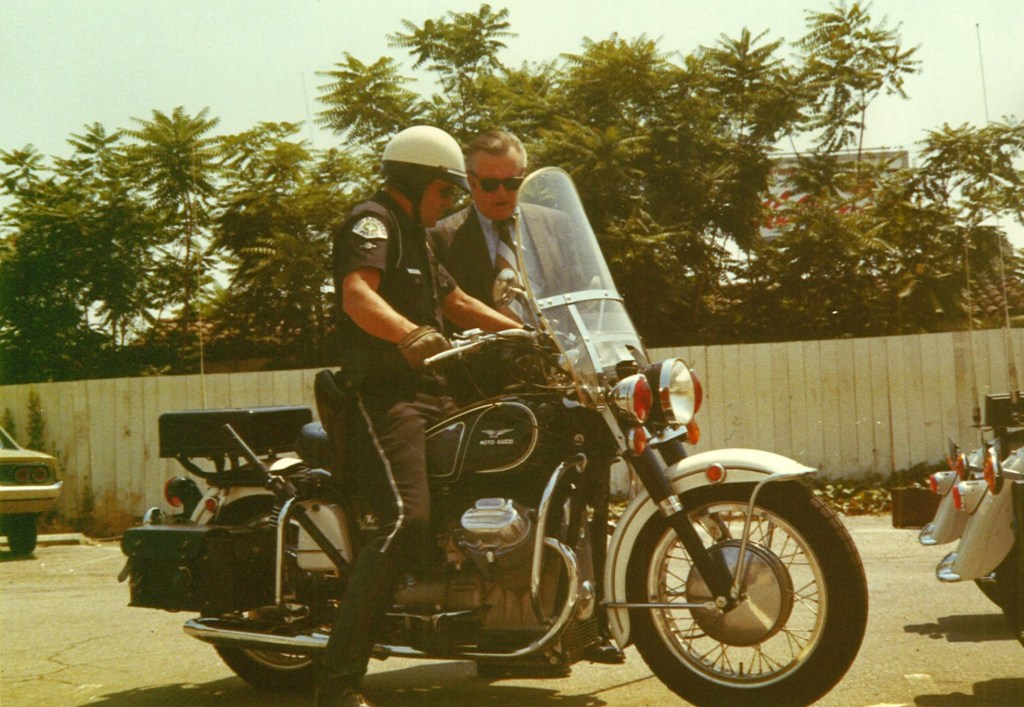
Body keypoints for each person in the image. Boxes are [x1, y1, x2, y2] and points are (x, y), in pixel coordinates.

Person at [316, 125, 520, 707]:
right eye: (445, 190)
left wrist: (526, 334)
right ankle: (337, 681)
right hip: (384, 394)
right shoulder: (372, 222)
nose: (450, 201)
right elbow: (358, 295)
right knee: (406, 518)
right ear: (413, 182)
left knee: (491, 472)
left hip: (432, 392)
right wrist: (408, 333)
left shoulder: (419, 237)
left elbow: (457, 302)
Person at [433, 129, 624, 667]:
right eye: (489, 184)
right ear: (469, 182)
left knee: (587, 499)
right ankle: (507, 628)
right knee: (510, 509)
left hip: (561, 382)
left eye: (512, 182)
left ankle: (592, 625)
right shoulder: (441, 237)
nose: (502, 193)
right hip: (485, 392)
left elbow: (588, 296)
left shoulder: (556, 226)